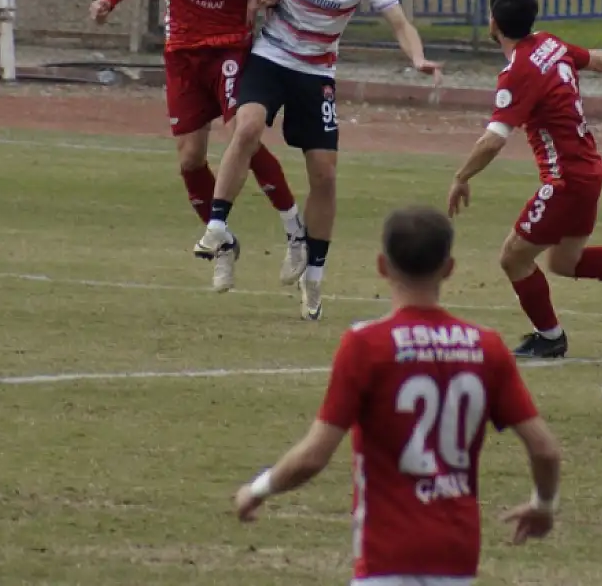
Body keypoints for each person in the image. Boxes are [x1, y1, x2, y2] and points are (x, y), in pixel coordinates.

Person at [232, 206, 563, 585]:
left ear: (382, 266)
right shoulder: (486, 346)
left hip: (386, 557)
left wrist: (258, 489)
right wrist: (543, 505)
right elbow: (545, 450)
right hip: (456, 555)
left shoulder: (366, 345)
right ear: (449, 268)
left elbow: (313, 456)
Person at [194, 0, 441, 321]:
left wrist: (417, 58)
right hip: (271, 57)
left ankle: (314, 273)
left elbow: (400, 23)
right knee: (247, 126)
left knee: (324, 174)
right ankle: (217, 225)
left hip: (316, 72)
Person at [90, 0, 306, 292]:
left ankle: (294, 228)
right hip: (181, 57)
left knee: (244, 133)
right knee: (190, 159)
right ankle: (224, 244)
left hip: (230, 50)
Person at [446, 0, 602, 360]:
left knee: (513, 258)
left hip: (566, 179)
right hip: (587, 172)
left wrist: (461, 177)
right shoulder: (548, 43)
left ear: (493, 23)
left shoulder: (518, 71)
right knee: (563, 261)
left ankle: (550, 337)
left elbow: (493, 139)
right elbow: (594, 58)